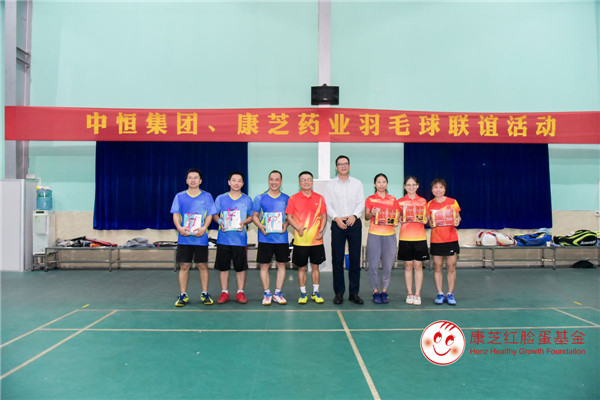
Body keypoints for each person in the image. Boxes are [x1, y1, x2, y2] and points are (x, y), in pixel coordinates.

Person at [171, 168, 217, 307]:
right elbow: (176, 215)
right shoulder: (179, 196)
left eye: (196, 178)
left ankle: (205, 294)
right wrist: (179, 228)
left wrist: (204, 228)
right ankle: (183, 295)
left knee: (202, 265)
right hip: (184, 238)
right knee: (184, 266)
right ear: (186, 180)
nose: (193, 180)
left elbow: (210, 215)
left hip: (201, 238)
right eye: (190, 177)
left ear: (200, 181)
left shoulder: (207, 196)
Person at [324, 155, 365, 305]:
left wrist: (354, 215)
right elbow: (328, 204)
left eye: (345, 163)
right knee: (337, 259)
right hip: (338, 223)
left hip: (354, 223)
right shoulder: (330, 185)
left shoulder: (357, 183)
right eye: (340, 164)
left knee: (355, 259)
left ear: (349, 166)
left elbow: (361, 202)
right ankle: (339, 293)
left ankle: (354, 293)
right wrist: (336, 218)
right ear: (336, 167)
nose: (343, 166)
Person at [285, 171, 327, 304]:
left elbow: (324, 216)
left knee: (315, 267)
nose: (306, 182)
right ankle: (303, 293)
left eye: (309, 179)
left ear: (312, 182)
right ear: (299, 182)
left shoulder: (319, 198)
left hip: (316, 241)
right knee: (301, 268)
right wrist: (298, 228)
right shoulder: (293, 198)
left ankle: (316, 292)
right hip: (300, 241)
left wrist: (321, 229)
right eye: (303, 180)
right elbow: (289, 217)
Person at [214, 171, 254, 304]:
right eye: (234, 180)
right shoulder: (221, 198)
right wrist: (221, 222)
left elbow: (251, 216)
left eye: (239, 181)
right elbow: (214, 215)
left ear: (242, 183)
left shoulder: (247, 199)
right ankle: (224, 292)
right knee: (223, 267)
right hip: (223, 238)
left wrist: (244, 222)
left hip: (240, 240)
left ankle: (240, 292)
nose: (236, 183)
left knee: (240, 268)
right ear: (229, 182)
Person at [252, 170, 290, 306]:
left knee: (281, 264)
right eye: (271, 179)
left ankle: (277, 293)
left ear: (281, 182)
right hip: (265, 238)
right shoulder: (260, 197)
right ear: (268, 181)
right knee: (264, 265)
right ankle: (267, 293)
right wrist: (260, 227)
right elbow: (255, 216)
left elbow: (290, 217)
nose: (274, 182)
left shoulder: (287, 198)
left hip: (281, 238)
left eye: (277, 179)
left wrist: (286, 225)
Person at [364, 173, 398, 304]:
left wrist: (396, 221)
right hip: (374, 235)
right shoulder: (370, 199)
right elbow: (366, 217)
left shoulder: (393, 199)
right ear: (375, 184)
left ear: (387, 184)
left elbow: (396, 216)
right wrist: (372, 213)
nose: (381, 184)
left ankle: (384, 290)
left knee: (388, 265)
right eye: (379, 182)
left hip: (390, 236)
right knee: (373, 264)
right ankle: (375, 291)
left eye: (384, 182)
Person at [428, 178, 461, 305]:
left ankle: (450, 293)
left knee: (451, 266)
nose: (438, 190)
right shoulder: (429, 204)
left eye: (441, 187)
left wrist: (457, 221)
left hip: (451, 239)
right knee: (437, 267)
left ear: (445, 189)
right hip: (436, 240)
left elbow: (458, 217)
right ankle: (440, 293)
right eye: (435, 187)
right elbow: (428, 220)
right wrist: (430, 223)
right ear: (432, 190)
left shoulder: (453, 202)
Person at [397, 176, 429, 306]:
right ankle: (409, 293)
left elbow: (427, 218)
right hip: (405, 238)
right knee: (408, 266)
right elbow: (396, 218)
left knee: (418, 266)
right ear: (404, 187)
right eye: (408, 185)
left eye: (413, 185)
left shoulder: (423, 201)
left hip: (420, 237)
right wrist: (399, 219)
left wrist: (425, 220)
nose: (411, 187)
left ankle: (417, 294)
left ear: (417, 186)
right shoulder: (400, 202)